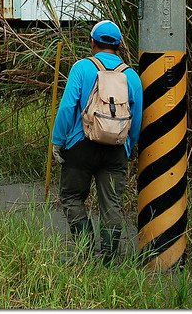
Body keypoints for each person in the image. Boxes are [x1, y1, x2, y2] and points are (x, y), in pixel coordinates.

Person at [51, 20, 143, 263]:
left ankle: (87, 249)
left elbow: (67, 108)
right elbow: (137, 117)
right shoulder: (131, 76)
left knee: (72, 197)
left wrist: (57, 141)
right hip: (115, 151)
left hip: (80, 147)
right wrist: (128, 147)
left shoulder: (82, 68)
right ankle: (110, 258)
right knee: (111, 203)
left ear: (92, 42)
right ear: (119, 45)